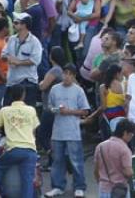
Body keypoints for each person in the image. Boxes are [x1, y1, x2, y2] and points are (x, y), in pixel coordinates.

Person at [45, 64, 90, 198]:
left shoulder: (78, 91)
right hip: (57, 131)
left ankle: (79, 186)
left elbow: (85, 111)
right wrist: (56, 110)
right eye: (65, 73)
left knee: (76, 161)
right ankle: (57, 186)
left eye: (70, 74)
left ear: (74, 76)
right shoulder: (54, 89)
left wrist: (68, 111)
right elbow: (50, 107)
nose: (67, 76)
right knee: (57, 160)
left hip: (73, 132)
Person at [94, 119, 135, 198]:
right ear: (125, 133)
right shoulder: (124, 149)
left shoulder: (100, 146)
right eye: (131, 135)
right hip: (119, 192)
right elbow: (128, 172)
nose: (131, 137)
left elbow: (96, 171)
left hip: (103, 190)